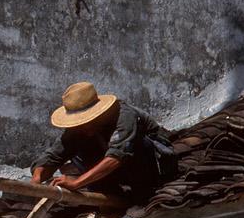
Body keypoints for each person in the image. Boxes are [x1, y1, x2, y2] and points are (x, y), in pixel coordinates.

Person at [32, 81, 178, 203]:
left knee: (136, 144)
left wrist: (76, 182)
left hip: (156, 165)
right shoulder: (77, 132)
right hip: (118, 174)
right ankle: (108, 191)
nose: (82, 126)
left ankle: (143, 191)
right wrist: (37, 178)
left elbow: (117, 156)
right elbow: (52, 156)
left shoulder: (124, 114)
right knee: (76, 150)